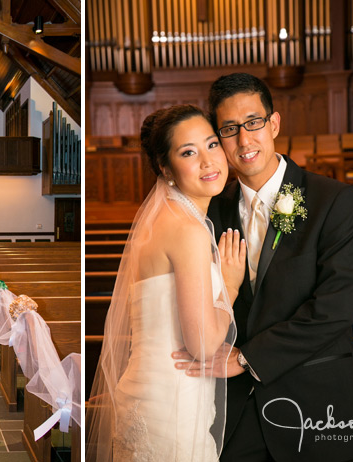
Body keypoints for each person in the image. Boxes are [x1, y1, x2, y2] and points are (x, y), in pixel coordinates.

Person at [174, 73, 353, 462]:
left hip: (315, 407)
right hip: (233, 416)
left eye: (254, 122)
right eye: (229, 129)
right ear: (219, 137)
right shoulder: (210, 211)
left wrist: (247, 357)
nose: (244, 140)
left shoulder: (334, 201)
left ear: (273, 123)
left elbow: (334, 311)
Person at [86, 105, 246, 461]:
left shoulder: (162, 220)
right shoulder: (187, 230)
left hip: (146, 392)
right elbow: (202, 345)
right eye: (188, 152)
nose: (208, 161)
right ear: (165, 168)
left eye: (211, 145)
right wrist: (231, 285)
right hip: (172, 401)